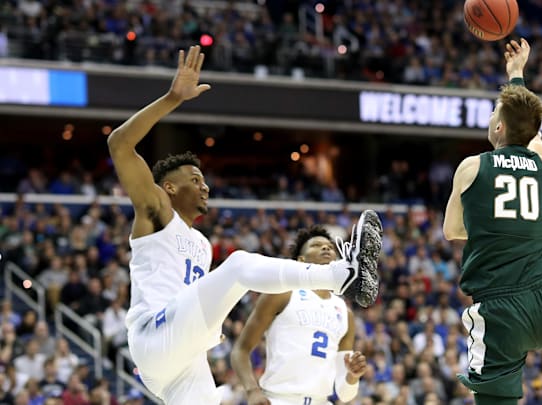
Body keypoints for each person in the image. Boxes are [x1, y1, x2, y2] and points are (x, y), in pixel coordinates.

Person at [107, 45, 382, 405]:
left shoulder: (202, 244)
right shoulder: (157, 212)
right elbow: (119, 144)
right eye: (194, 178)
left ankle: (341, 275)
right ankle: (340, 274)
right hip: (153, 333)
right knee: (237, 265)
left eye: (204, 178)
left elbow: (199, 299)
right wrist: (173, 98)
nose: (205, 185)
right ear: (169, 187)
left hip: (180, 360)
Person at [442, 38, 542, 405]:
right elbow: (529, 127)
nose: (491, 118)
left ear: (500, 128)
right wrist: (516, 73)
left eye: (495, 114)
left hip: (500, 312)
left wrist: (489, 226)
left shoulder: (471, 167)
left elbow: (452, 231)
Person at [232, 225, 368, 405]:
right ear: (301, 261)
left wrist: (352, 376)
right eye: (316, 245)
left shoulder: (345, 312)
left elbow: (345, 394)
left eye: (330, 246)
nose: (326, 248)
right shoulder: (282, 292)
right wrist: (252, 391)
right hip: (279, 399)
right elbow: (240, 350)